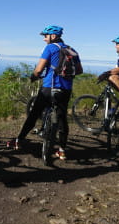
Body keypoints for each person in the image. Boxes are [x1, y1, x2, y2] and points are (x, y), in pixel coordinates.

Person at [12, 25, 74, 161]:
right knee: (62, 117)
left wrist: (34, 77)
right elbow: (79, 70)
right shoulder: (71, 49)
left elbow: (39, 69)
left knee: (34, 114)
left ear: (53, 36)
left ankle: (19, 140)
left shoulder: (50, 48)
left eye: (45, 36)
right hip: (66, 89)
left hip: (49, 87)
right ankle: (62, 151)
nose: (44, 39)